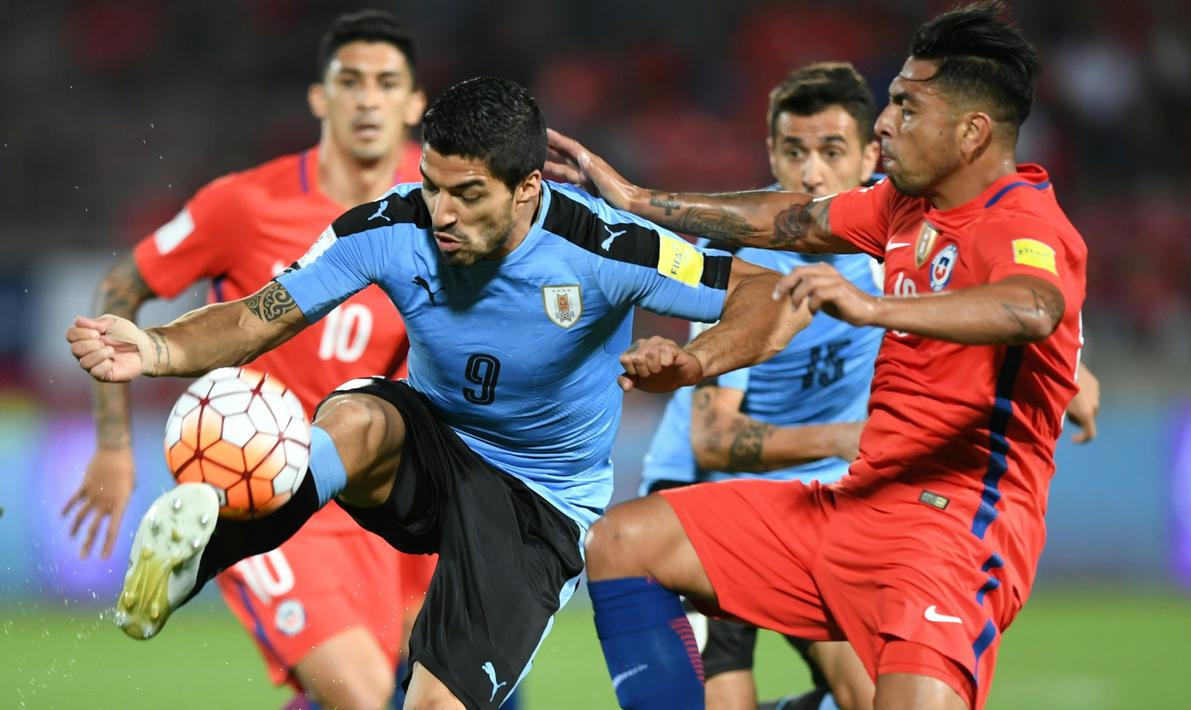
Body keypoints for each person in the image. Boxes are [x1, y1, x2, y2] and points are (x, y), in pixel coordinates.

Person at [66, 76, 809, 710]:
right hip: (432, 443)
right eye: (430, 184)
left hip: (537, 501)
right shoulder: (392, 224)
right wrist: (159, 347)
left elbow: (766, 294)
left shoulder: (603, 245)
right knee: (354, 416)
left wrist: (696, 362)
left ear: (527, 191)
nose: (442, 212)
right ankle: (201, 555)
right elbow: (260, 317)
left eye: (467, 194)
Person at [548, 2, 1089, 708]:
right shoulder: (903, 207)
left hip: (953, 538)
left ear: (970, 132)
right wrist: (635, 198)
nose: (886, 122)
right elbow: (789, 222)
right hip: (854, 505)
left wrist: (874, 307)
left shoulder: (1021, 222)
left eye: (905, 105)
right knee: (620, 542)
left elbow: (1032, 307)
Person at [60, 10, 437, 709]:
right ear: (320, 98)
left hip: (373, 494)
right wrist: (114, 445)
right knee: (361, 696)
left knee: (409, 692)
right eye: (348, 81)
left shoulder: (433, 214)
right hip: (257, 478)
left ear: (414, 105)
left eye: (386, 83)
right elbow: (121, 289)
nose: (366, 99)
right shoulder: (244, 204)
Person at [639, 62, 883, 710]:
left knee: (876, 697)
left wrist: (1071, 369)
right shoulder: (740, 269)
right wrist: (847, 438)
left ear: (870, 158)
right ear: (770, 153)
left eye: (831, 152)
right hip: (703, 497)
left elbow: (988, 285)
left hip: (812, 497)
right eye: (792, 151)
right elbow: (714, 439)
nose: (809, 175)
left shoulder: (902, 239)